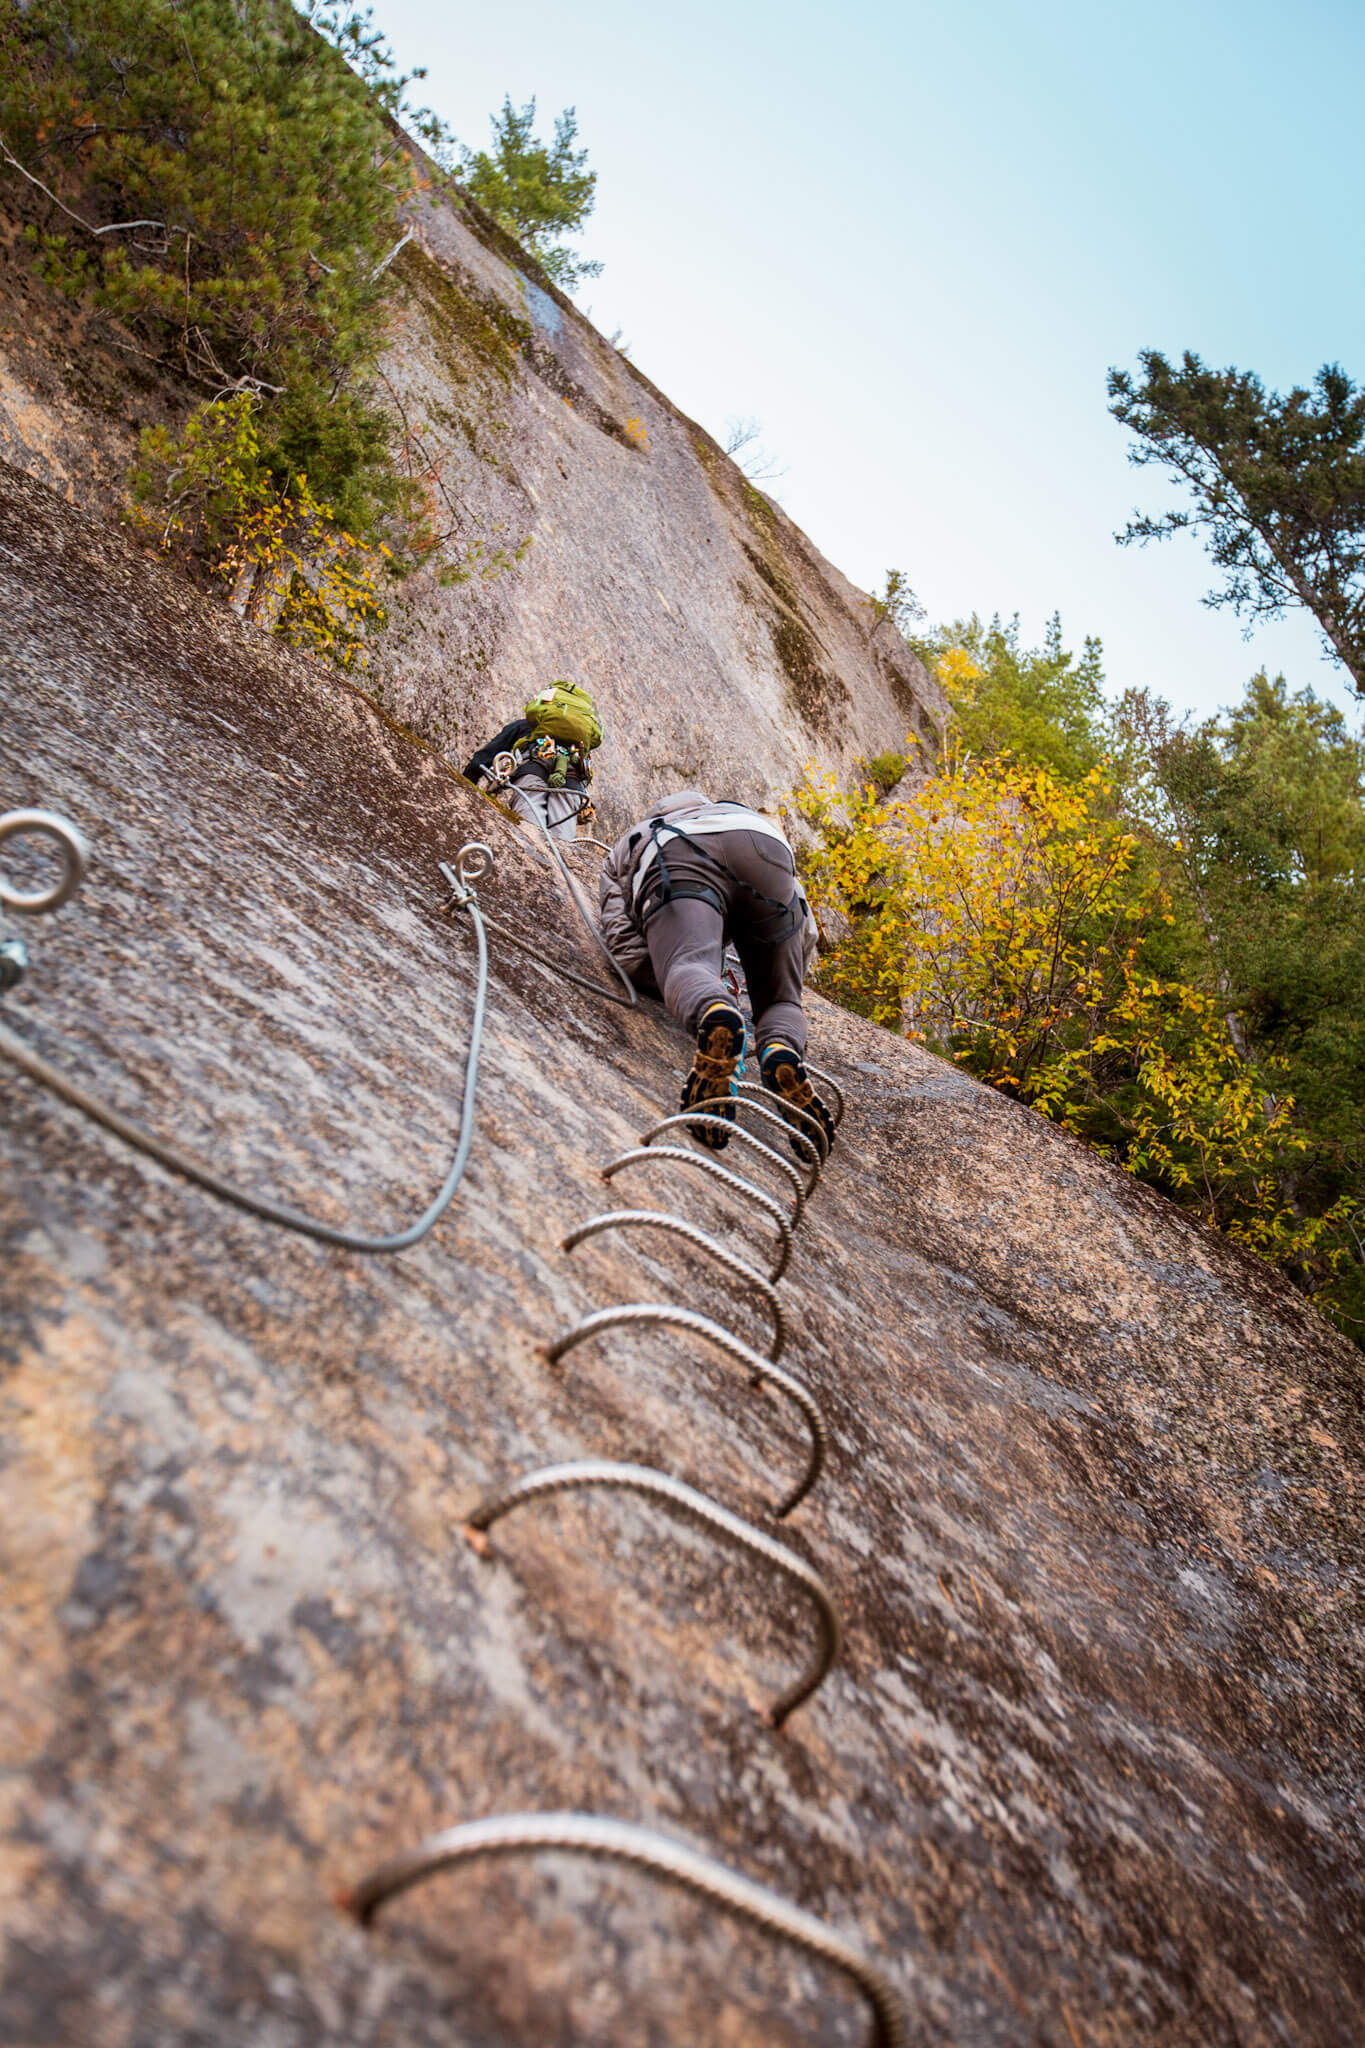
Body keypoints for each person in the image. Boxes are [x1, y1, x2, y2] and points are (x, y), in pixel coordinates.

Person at [599, 790, 835, 1154]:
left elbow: (624, 943)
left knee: (687, 963)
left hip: (681, 854)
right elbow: (806, 932)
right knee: (781, 1002)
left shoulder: (641, 831)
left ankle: (718, 1014)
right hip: (768, 851)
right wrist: (783, 983)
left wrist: (677, 978)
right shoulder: (739, 815)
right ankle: (779, 1049)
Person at [463, 680, 603, 842]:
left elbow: (484, 757)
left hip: (532, 773)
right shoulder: (579, 741)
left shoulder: (524, 727)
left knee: (529, 835)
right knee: (562, 842)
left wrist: (466, 785)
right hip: (570, 785)